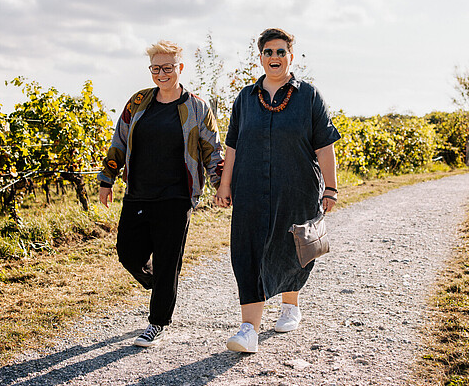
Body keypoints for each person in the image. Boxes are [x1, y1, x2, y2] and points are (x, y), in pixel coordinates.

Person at [215, 28, 340, 353]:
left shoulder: (308, 96)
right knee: (248, 251)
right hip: (251, 188)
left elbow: (325, 146)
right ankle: (248, 330)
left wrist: (331, 189)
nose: (274, 57)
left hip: (296, 187)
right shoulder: (245, 98)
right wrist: (225, 184)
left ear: (291, 56)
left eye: (280, 52)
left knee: (294, 247)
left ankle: (290, 306)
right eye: (268, 52)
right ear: (260, 57)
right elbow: (233, 145)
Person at [98, 40, 223, 347]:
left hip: (177, 196)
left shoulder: (196, 107)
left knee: (168, 260)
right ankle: (163, 286)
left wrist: (222, 184)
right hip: (138, 193)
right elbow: (120, 141)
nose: (162, 73)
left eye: (168, 67)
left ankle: (157, 321)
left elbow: (212, 150)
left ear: (179, 68)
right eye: (156, 68)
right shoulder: (138, 102)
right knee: (128, 253)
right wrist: (107, 178)